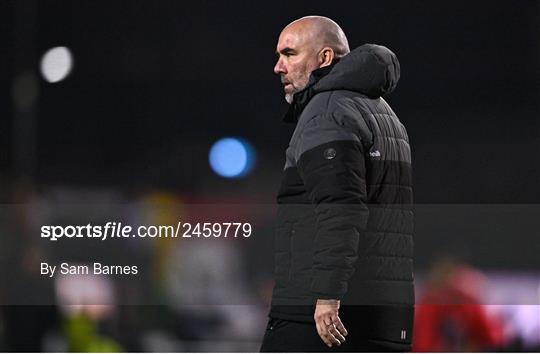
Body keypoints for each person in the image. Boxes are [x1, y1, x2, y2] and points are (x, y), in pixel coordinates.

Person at [259, 16, 414, 352]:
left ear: (324, 58)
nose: (278, 67)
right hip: (386, 319)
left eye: (289, 53)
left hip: (325, 318)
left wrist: (327, 296)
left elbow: (341, 208)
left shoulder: (327, 111)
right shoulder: (387, 116)